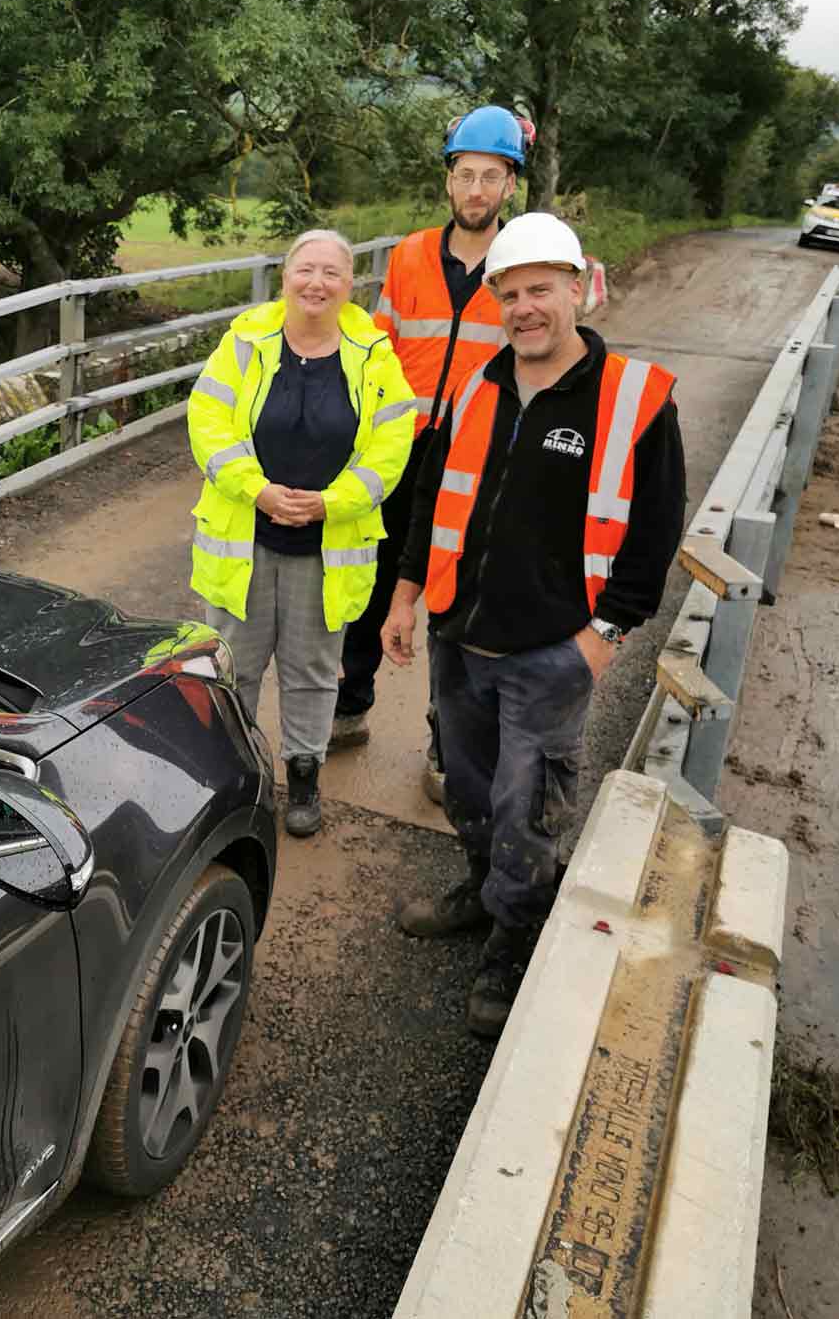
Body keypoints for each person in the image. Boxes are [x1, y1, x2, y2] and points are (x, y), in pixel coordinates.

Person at [380, 213, 686, 1038]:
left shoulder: (634, 399)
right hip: (459, 636)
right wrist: (407, 595)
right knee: (472, 789)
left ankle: (513, 938)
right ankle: (484, 891)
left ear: (577, 289)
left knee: (530, 806)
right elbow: (426, 502)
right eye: (509, 294)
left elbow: (656, 533)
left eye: (540, 290)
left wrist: (603, 638)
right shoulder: (476, 386)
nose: (524, 308)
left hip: (553, 653)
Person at [333, 105, 533, 810]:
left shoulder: (520, 267)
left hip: (476, 462)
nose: (476, 189)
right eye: (465, 174)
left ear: (510, 184)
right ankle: (350, 704)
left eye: (491, 176)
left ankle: (449, 739)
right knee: (369, 582)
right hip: (397, 448)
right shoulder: (410, 255)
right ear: (449, 181)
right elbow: (375, 351)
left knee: (458, 601)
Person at [188, 228, 417, 837]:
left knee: (313, 672)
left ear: (350, 285)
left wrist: (329, 503)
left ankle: (304, 776)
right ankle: (234, 777)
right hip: (245, 541)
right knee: (234, 668)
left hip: (327, 546)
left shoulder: (373, 356)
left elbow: (392, 446)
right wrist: (255, 489)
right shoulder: (244, 342)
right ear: (286, 276)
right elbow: (207, 419)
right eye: (305, 270)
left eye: (332, 273)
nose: (317, 283)